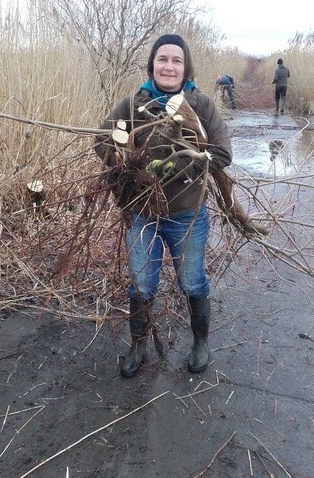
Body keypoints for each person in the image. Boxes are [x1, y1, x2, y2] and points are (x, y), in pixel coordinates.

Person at [94, 34, 233, 378]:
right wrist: (127, 163)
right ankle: (139, 347)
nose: (168, 66)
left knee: (192, 282)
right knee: (141, 285)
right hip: (144, 214)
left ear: (185, 67)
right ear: (152, 64)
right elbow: (101, 140)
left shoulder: (200, 105)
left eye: (176, 60)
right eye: (162, 59)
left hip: (187, 216)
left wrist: (177, 165)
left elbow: (222, 154)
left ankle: (201, 343)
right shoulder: (133, 105)